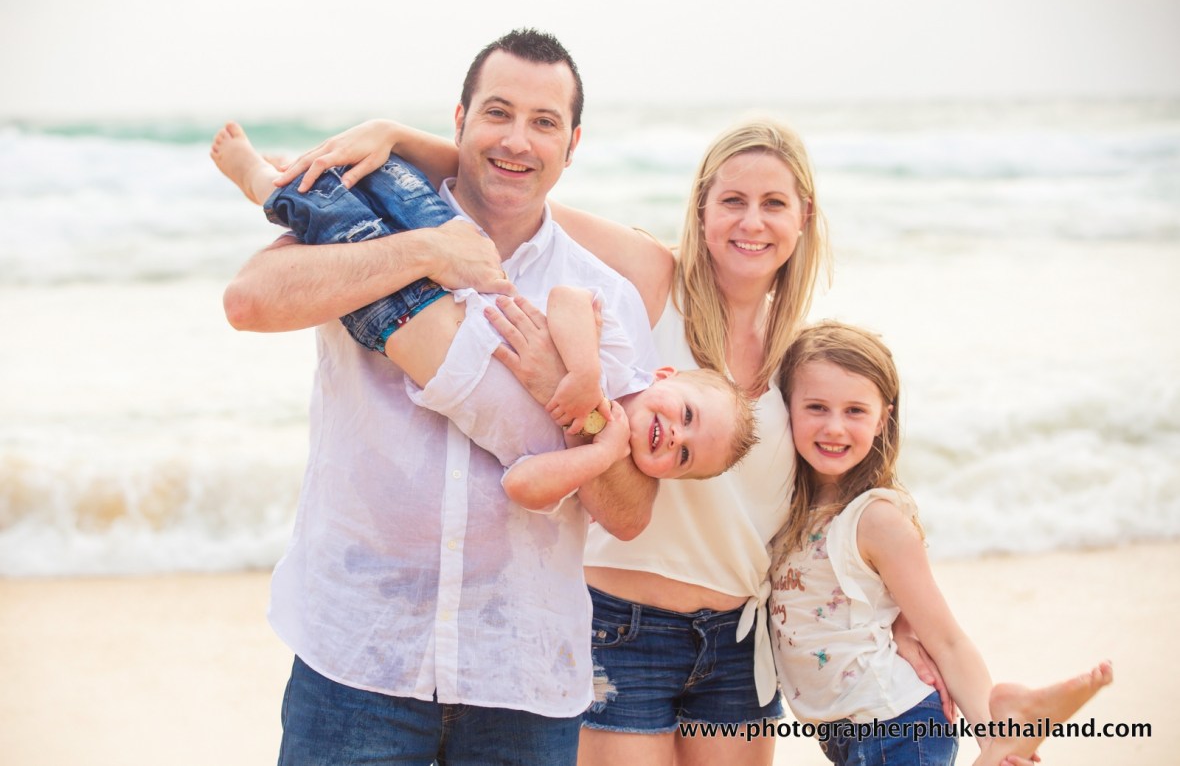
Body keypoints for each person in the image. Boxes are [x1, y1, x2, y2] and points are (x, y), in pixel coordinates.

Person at [276, 116, 944, 766]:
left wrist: (900, 610)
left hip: (741, 640)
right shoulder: (655, 275)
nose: (751, 221)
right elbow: (517, 189)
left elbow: (837, 484)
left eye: (774, 204)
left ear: (803, 218)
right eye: (732, 200)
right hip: (623, 628)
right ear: (702, 208)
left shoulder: (799, 351)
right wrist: (398, 139)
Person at [221, 29, 666, 765]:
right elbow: (249, 302)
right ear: (458, 121)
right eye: (498, 113)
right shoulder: (374, 230)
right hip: (357, 657)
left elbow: (629, 512)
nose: (516, 140)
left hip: (520, 676)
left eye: (543, 122)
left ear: (573, 142)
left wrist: (581, 405)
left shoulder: (601, 294)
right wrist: (428, 253)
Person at [211, 129, 759, 503]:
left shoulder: (590, 450)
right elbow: (571, 301)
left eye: (685, 457)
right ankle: (281, 168)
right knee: (394, 183)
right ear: (667, 376)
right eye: (687, 414)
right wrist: (586, 376)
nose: (674, 437)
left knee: (335, 219)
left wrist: (599, 456)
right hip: (467, 278)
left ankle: (262, 178)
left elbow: (521, 486)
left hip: (408, 327)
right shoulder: (622, 367)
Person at [770, 320, 1113, 766]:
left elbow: (946, 639)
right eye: (817, 407)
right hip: (851, 731)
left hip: (897, 724)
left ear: (881, 420)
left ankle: (1004, 730)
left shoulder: (876, 519)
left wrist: (988, 735)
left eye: (855, 410)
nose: (834, 427)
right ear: (786, 409)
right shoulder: (784, 509)